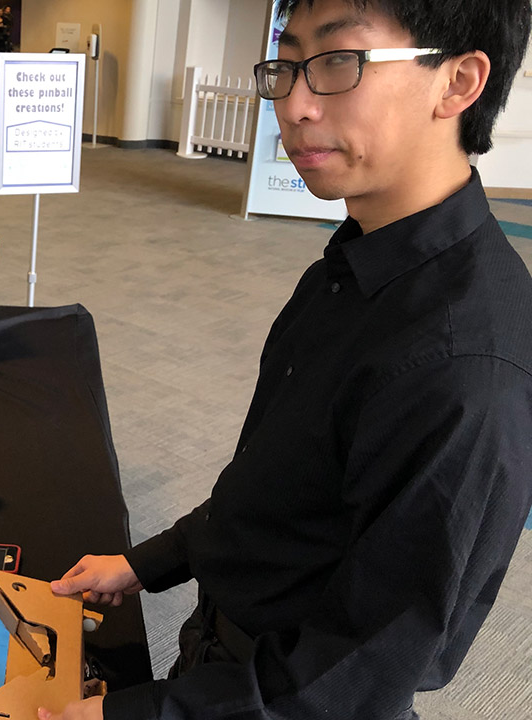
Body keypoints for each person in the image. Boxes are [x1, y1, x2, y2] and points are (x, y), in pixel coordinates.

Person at [41, 1, 532, 719]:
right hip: (221, 654)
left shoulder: (464, 367)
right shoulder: (352, 264)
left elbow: (359, 674)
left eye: (338, 63)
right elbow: (277, 487)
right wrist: (149, 562)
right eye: (287, 66)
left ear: (457, 83)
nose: (293, 106)